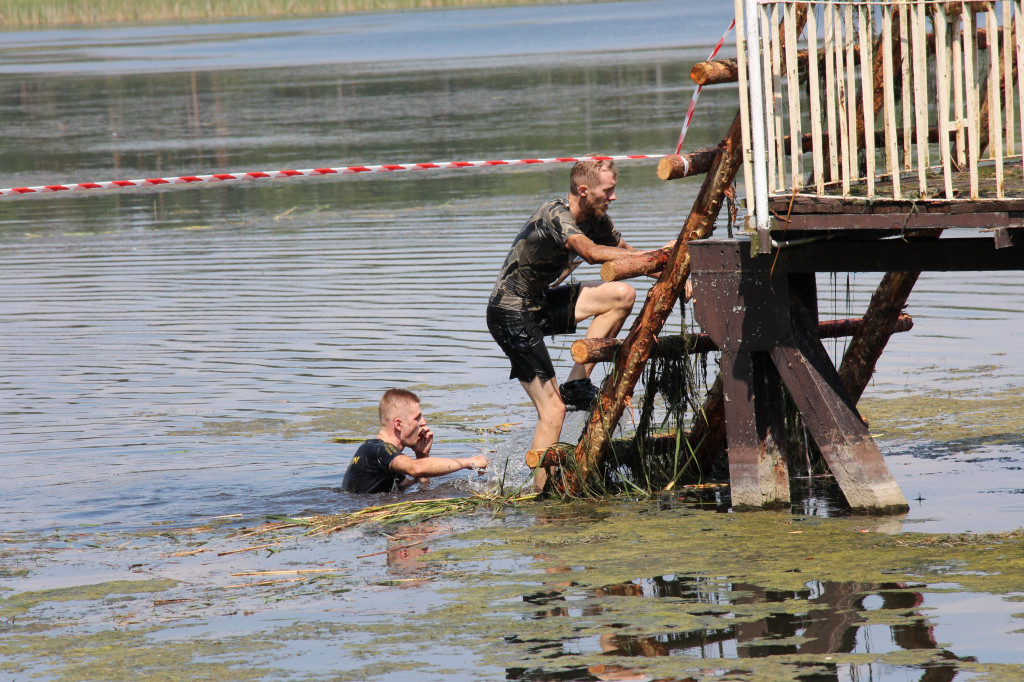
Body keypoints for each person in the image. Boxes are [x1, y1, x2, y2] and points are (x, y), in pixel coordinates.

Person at [486, 157, 670, 491]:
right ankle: (542, 492)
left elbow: (628, 253)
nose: (612, 197)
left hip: (539, 304)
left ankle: (576, 383)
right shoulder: (556, 214)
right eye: (607, 191)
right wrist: (657, 252)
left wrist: (672, 270)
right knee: (553, 410)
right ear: (583, 191)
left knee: (622, 294)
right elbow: (591, 253)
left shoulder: (597, 218)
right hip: (510, 312)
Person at [342, 388, 488, 494]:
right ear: (398, 425)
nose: (423, 422)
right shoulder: (380, 450)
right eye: (417, 417)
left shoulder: (382, 457)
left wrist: (422, 455)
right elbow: (416, 469)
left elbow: (421, 488)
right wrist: (468, 462)